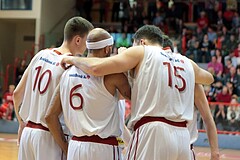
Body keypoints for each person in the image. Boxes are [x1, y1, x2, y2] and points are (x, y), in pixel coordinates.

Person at [61, 25, 214, 159]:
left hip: (153, 131)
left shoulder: (141, 52)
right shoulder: (186, 62)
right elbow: (209, 78)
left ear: (142, 42)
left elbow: (96, 68)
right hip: (182, 137)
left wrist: (73, 60)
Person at [13, 16, 93, 160]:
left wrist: (21, 123)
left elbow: (17, 94)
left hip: (28, 133)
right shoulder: (71, 66)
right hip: (51, 137)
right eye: (87, 41)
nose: (87, 47)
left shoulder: (40, 54)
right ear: (78, 40)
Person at [45, 28, 131, 160]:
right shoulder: (113, 75)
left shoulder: (67, 74)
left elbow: (50, 116)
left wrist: (66, 148)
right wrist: (126, 63)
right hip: (104, 148)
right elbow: (136, 97)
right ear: (107, 49)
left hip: (75, 146)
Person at [188, 84, 219, 160]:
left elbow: (208, 119)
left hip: (186, 147)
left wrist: (215, 152)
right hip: (163, 143)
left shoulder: (195, 86)